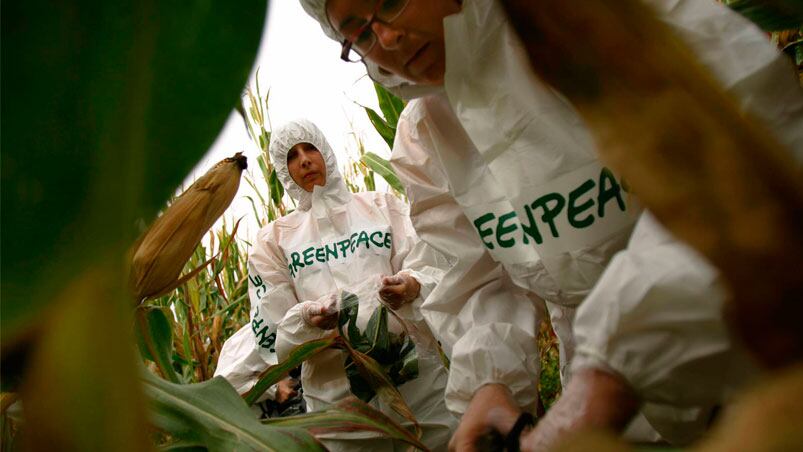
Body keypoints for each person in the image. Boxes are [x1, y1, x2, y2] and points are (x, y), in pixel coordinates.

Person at [298, 0, 803, 449]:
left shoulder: (599, 21)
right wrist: (489, 383)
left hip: (756, 345)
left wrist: (607, 379)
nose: (385, 38)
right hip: (598, 381)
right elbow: (472, 273)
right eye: (360, 34)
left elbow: (745, 168)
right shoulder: (426, 136)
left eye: (392, 3)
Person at [217, 119, 456, 451]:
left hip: (417, 382)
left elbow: (430, 263)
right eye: (291, 157)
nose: (304, 160)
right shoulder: (275, 241)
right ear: (283, 172)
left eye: (309, 148)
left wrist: (411, 284)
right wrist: (306, 319)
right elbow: (270, 334)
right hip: (338, 403)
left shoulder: (381, 207)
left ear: (325, 151)